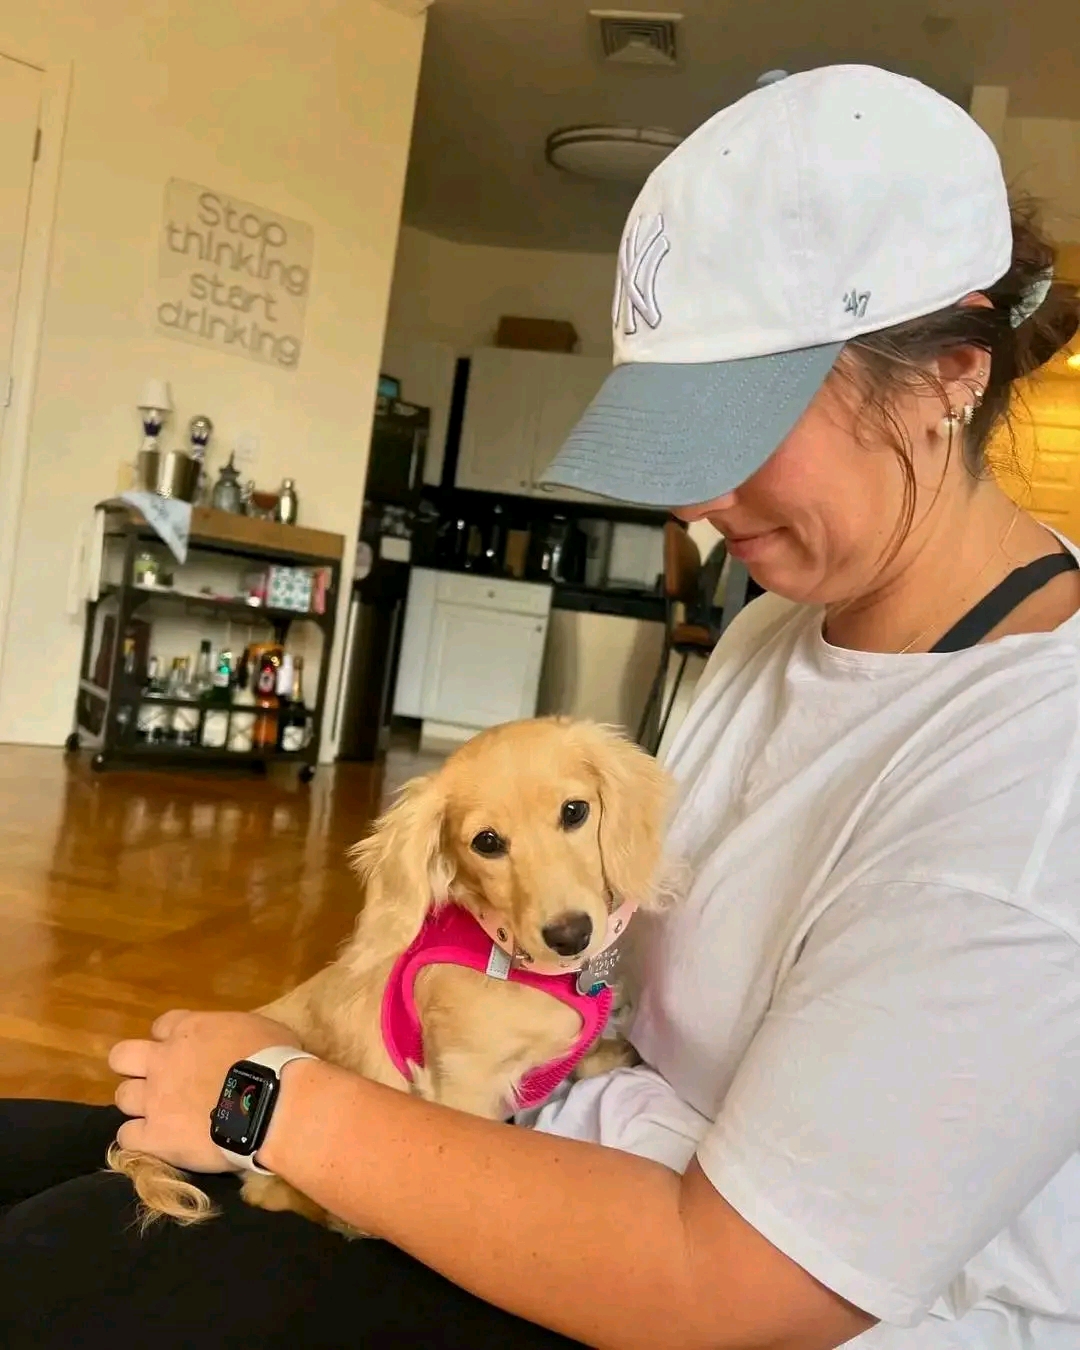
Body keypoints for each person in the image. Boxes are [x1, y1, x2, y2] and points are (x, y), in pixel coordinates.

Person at [3, 64, 1080, 1350]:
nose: (692, 501)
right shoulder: (776, 628)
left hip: (684, 1295)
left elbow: (730, 1291)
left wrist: (269, 1101)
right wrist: (339, 1033)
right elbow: (608, 961)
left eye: (738, 424)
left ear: (949, 375)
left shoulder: (1035, 783)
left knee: (63, 1264)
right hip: (557, 1147)